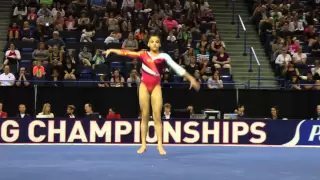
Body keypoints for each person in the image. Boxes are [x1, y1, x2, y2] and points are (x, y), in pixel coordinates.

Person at [104, 34, 200, 155]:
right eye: (152, 42)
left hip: (156, 86)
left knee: (157, 116)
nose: (154, 43)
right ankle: (143, 144)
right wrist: (112, 50)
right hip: (144, 86)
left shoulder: (163, 56)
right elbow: (127, 53)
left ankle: (159, 145)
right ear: (148, 44)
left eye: (157, 42)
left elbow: (177, 68)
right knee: (144, 115)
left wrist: (191, 78)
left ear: (159, 44)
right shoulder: (143, 54)